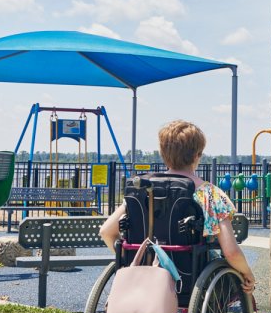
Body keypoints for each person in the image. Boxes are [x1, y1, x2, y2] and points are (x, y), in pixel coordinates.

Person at [100, 120, 256, 294]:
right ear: (198, 155)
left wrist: (129, 261)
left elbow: (106, 232)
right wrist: (247, 272)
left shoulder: (143, 189)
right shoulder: (208, 193)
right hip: (191, 280)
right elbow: (231, 252)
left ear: (163, 154)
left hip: (144, 276)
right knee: (231, 275)